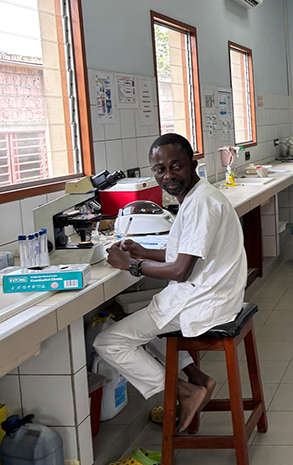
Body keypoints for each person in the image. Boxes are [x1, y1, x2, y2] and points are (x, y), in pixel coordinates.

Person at [94, 133, 247, 433]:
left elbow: (180, 270)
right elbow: (186, 252)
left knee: (109, 341)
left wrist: (131, 265)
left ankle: (184, 391)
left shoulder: (201, 203)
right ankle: (199, 378)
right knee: (144, 322)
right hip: (213, 293)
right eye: (160, 169)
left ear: (192, 164)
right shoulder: (197, 197)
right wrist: (144, 251)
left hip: (205, 300)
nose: (168, 175)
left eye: (176, 166)